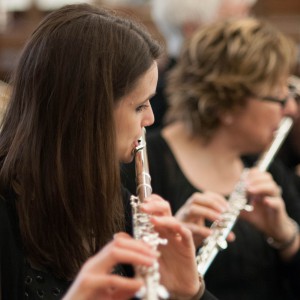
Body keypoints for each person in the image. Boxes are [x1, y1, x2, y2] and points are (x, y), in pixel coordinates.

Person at [0, 3, 213, 299]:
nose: (150, 119)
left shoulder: (113, 197)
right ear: (87, 113)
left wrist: (190, 291)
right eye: (139, 106)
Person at [122, 17, 300, 299]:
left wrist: (288, 237)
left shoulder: (268, 170)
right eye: (278, 98)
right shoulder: (140, 165)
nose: (289, 109)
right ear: (228, 101)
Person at [149, 0, 258, 130]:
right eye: (231, 21)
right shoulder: (160, 97)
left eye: (246, 14)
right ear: (191, 29)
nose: (250, 28)